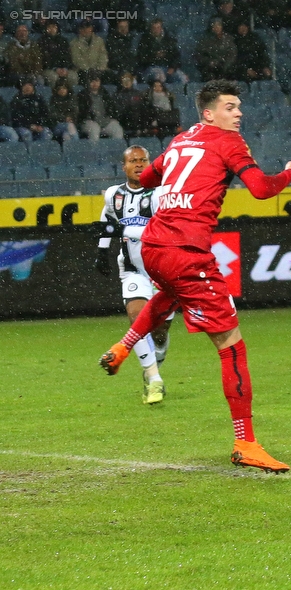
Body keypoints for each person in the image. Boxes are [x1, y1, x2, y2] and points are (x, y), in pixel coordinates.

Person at [98, 79, 291, 474]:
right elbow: (262, 190)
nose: (239, 113)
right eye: (231, 107)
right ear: (210, 113)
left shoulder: (181, 140)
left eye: (239, 107)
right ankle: (245, 442)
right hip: (186, 250)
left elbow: (147, 181)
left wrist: (179, 186)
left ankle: (125, 346)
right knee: (232, 345)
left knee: (169, 294)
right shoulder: (228, 142)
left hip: (154, 245)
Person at [95, 146, 171, 405]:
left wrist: (126, 228)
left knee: (159, 332)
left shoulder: (161, 193)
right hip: (132, 268)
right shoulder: (114, 195)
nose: (139, 164)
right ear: (124, 166)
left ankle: (155, 360)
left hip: (163, 270)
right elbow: (107, 219)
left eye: (143, 160)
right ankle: (155, 380)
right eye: (133, 161)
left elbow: (166, 229)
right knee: (137, 318)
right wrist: (102, 252)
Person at [78, 75, 125, 140]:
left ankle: (114, 149)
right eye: (92, 81)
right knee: (94, 129)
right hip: (89, 121)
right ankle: (94, 149)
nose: (95, 84)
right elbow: (81, 113)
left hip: (105, 121)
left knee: (117, 129)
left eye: (97, 81)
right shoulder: (82, 95)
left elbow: (111, 108)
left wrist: (112, 117)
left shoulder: (105, 94)